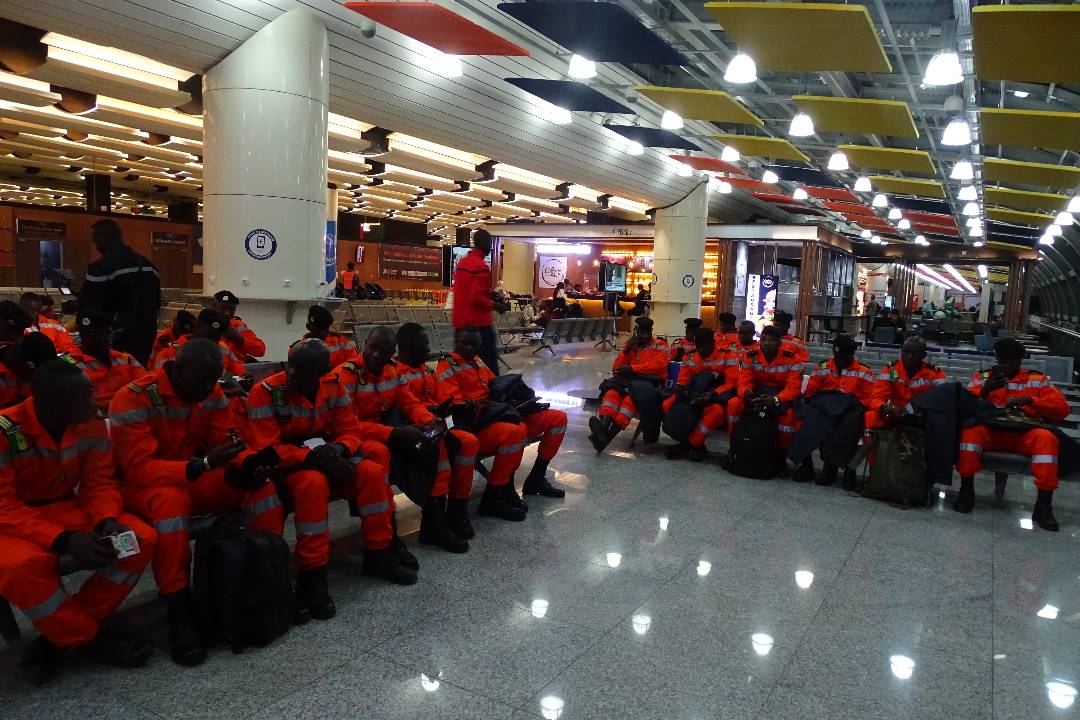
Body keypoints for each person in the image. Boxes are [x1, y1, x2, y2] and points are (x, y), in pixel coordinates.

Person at [110, 339, 286, 666]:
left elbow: (222, 442)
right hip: (140, 487)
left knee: (258, 486)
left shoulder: (211, 394)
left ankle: (268, 579)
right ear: (177, 370)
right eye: (201, 382)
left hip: (190, 475)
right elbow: (138, 470)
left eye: (212, 382)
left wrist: (246, 464)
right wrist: (201, 465)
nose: (208, 390)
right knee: (170, 502)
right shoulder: (133, 398)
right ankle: (178, 610)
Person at [0, 360, 158, 686]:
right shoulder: (4, 431)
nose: (93, 402)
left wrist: (107, 521)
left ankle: (59, 637)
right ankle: (90, 639)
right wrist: (63, 539)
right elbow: (4, 507)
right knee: (23, 567)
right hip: (10, 521)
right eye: (82, 397)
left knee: (138, 539)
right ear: (46, 403)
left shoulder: (89, 423)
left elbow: (99, 483)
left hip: (63, 508)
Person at [246, 339, 418, 607]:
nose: (292, 371)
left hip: (328, 456)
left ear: (322, 371)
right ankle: (312, 576)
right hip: (290, 467)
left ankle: (379, 554)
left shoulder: (332, 385)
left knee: (371, 473)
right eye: (291, 363)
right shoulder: (265, 392)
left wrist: (340, 450)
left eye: (302, 367)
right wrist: (312, 457)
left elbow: (349, 430)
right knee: (312, 484)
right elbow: (266, 449)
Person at [337, 326, 470, 553]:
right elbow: (347, 424)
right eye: (373, 348)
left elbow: (410, 403)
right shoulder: (345, 376)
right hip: (352, 436)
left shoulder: (391, 371)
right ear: (364, 344)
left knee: (438, 441)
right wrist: (394, 434)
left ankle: (434, 524)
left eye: (385, 351)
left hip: (386, 430)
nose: (377, 355)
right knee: (379, 455)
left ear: (393, 353)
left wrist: (429, 422)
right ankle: (386, 538)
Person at [955, 338, 1070, 530]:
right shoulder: (984, 376)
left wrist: (1031, 400)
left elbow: (1062, 408)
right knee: (970, 433)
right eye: (1001, 360)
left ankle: (1043, 504)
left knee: (1047, 439)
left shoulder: (1037, 380)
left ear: (1019, 361)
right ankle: (966, 490)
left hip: (1022, 433)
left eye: (1010, 361)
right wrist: (984, 391)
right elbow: (965, 405)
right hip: (992, 430)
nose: (1004, 365)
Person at [395, 323, 484, 539]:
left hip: (438, 424)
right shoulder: (397, 373)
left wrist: (444, 409)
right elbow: (406, 409)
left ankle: (456, 509)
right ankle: (433, 523)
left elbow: (438, 400)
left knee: (469, 442)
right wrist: (433, 413)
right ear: (405, 347)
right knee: (445, 447)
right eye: (423, 345)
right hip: (415, 431)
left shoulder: (425, 369)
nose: (428, 349)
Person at [433, 328, 529, 520]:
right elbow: (454, 405)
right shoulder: (447, 366)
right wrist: (478, 405)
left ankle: (500, 490)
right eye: (464, 343)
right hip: (469, 423)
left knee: (521, 428)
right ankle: (493, 496)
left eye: (474, 344)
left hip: (486, 416)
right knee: (514, 433)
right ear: (456, 342)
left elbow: (495, 384)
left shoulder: (477, 361)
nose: (469, 348)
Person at [794, 334, 874, 486]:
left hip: (851, 412)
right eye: (839, 354)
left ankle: (841, 470)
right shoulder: (823, 367)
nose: (842, 358)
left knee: (845, 426)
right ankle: (807, 467)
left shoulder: (864, 372)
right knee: (808, 423)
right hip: (825, 410)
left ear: (852, 354)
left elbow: (869, 399)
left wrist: (846, 403)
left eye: (846, 355)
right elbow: (810, 393)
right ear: (834, 351)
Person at [79, 219, 161, 366]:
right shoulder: (149, 266)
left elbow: (89, 307)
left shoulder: (101, 267)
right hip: (146, 338)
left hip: (115, 341)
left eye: (95, 241)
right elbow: (156, 304)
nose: (96, 247)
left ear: (103, 238)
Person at [588, 316, 669, 452]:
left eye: (645, 333)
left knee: (630, 400)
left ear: (651, 331)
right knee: (612, 393)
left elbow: (658, 366)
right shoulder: (632, 346)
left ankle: (607, 435)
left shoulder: (661, 345)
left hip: (648, 383)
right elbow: (616, 369)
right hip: (629, 381)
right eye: (639, 333)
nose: (642, 337)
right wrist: (626, 350)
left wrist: (633, 368)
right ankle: (603, 425)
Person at [726, 326, 803, 464]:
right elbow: (744, 381)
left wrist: (776, 400)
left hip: (781, 398)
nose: (766, 343)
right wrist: (746, 395)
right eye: (763, 339)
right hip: (756, 396)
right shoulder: (750, 356)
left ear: (779, 343)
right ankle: (734, 446)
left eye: (771, 340)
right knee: (734, 404)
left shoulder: (793, 359)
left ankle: (780, 457)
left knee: (789, 416)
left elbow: (794, 388)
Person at [663, 328, 737, 461]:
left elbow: (732, 383)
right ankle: (695, 446)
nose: (701, 350)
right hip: (693, 395)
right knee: (667, 404)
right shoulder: (689, 356)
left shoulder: (728, 356)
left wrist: (713, 393)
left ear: (713, 343)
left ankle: (691, 445)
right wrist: (680, 387)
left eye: (704, 346)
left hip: (715, 397)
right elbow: (683, 379)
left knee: (716, 412)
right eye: (698, 346)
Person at [69, 310, 147, 411]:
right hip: (92, 421)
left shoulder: (126, 360)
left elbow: (147, 386)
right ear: (83, 332)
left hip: (128, 417)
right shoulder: (69, 364)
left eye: (109, 332)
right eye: (101, 332)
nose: (108, 337)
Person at [867, 336, 946, 432]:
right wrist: (884, 407)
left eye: (915, 353)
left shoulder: (935, 374)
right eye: (906, 352)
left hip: (923, 420)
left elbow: (943, 402)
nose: (909, 356)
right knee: (871, 416)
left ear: (923, 355)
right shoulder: (892, 370)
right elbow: (877, 396)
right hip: (894, 417)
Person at [451, 229, 500, 375]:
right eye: (489, 242)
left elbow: (466, 292)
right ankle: (493, 394)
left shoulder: (462, 263)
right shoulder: (481, 267)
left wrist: (489, 295)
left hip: (460, 323)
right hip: (479, 325)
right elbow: (476, 297)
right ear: (485, 243)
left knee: (462, 364)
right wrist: (495, 305)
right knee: (489, 365)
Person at [151, 309, 246, 377]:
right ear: (196, 326)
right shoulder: (169, 354)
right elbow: (161, 385)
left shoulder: (223, 350)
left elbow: (240, 372)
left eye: (216, 338)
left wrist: (245, 378)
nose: (212, 342)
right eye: (208, 336)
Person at [210, 290, 266, 360]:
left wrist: (240, 339)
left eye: (231, 310)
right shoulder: (204, 324)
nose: (227, 313)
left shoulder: (237, 325)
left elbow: (260, 350)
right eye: (223, 309)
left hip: (238, 368)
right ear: (214, 306)